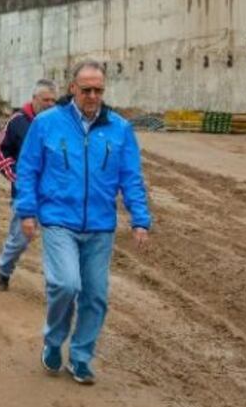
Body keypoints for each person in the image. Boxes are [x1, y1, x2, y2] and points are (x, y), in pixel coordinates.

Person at [16, 59, 151, 385]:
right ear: (72, 88)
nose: (92, 96)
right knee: (66, 284)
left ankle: (80, 357)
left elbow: (131, 177)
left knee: (95, 295)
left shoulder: (119, 129)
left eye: (98, 90)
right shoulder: (47, 124)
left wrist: (139, 218)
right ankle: (53, 340)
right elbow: (28, 168)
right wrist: (27, 211)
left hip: (100, 226)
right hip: (59, 220)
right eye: (86, 89)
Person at [0, 78, 58, 291]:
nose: (49, 104)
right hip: (26, 195)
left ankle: (57, 287)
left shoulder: (59, 123)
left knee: (58, 242)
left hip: (55, 196)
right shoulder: (18, 121)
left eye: (53, 100)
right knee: (20, 239)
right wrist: (16, 176)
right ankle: (3, 271)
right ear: (34, 99)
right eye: (45, 99)